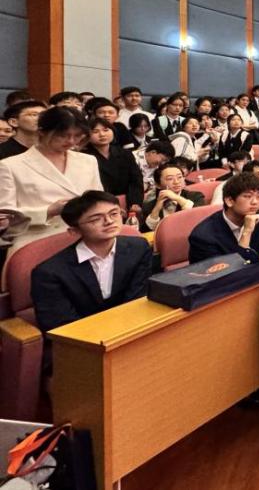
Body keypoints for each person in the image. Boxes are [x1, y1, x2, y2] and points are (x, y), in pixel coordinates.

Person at [30, 191, 153, 335]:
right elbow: (60, 325)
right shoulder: (49, 273)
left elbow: (137, 299)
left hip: (130, 331)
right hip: (79, 340)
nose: (109, 221)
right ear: (74, 231)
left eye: (114, 214)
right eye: (96, 219)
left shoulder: (138, 248)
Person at [0, 107, 102, 252]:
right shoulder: (11, 165)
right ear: (42, 131)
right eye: (63, 135)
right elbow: (5, 216)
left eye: (78, 136)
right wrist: (47, 211)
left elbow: (98, 198)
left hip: (84, 236)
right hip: (35, 240)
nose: (71, 141)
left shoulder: (88, 160)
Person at [188, 173, 259, 264]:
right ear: (229, 201)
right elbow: (227, 270)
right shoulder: (203, 236)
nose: (255, 202)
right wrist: (246, 233)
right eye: (248, 196)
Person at [81, 117, 145, 212]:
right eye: (95, 131)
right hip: (99, 204)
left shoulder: (125, 153)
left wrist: (135, 202)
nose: (102, 134)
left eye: (106, 130)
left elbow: (136, 180)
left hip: (128, 203)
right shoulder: (83, 157)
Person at [139, 163, 206, 233]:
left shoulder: (196, 196)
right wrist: (157, 208)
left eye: (179, 177)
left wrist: (177, 198)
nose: (176, 182)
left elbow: (199, 218)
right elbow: (145, 232)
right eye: (170, 179)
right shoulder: (149, 206)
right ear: (158, 185)